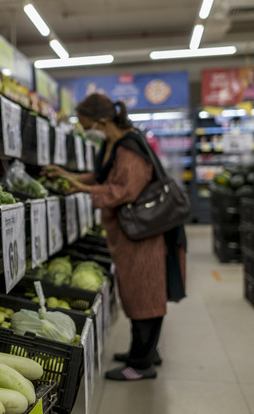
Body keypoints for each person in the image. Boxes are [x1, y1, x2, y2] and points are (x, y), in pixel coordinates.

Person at [44, 94, 187, 381]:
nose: (85, 132)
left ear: (102, 121)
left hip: (144, 232)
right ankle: (143, 351)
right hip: (129, 230)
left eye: (86, 126)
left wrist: (81, 189)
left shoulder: (130, 147)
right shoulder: (113, 143)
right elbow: (104, 178)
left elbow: (124, 191)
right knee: (135, 291)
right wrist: (71, 176)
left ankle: (142, 364)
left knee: (145, 292)